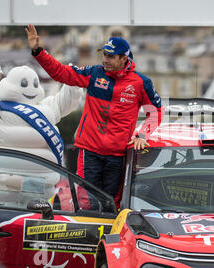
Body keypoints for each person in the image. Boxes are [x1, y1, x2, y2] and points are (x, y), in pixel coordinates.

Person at [25, 25, 164, 202]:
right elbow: (60, 73)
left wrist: (142, 135)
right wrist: (38, 51)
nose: (105, 59)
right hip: (90, 151)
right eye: (104, 54)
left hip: (118, 155)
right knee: (86, 200)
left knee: (112, 202)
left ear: (124, 59)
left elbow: (156, 111)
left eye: (111, 56)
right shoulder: (94, 73)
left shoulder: (141, 83)